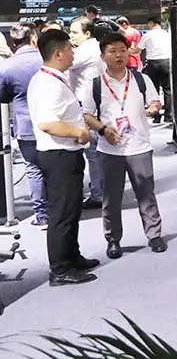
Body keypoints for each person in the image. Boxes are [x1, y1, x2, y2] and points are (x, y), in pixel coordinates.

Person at [26, 29, 101, 286]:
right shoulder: (48, 84)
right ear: (58, 54)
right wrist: (79, 133)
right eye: (70, 48)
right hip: (58, 155)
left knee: (72, 209)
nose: (73, 53)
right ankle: (60, 269)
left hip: (66, 154)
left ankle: (72, 256)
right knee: (61, 213)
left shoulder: (53, 79)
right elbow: (49, 124)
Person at [82, 33, 166, 259]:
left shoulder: (141, 79)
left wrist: (153, 109)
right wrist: (103, 130)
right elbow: (87, 115)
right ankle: (113, 239)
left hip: (140, 147)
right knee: (111, 198)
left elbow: (155, 102)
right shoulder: (95, 84)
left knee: (146, 194)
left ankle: (154, 235)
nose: (119, 55)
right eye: (112, 51)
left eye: (122, 50)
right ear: (103, 56)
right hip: (110, 150)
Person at [0, 24, 45, 225]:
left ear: (13, 42)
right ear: (32, 38)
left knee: (33, 169)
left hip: (25, 124)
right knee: (53, 168)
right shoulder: (45, 59)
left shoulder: (7, 66)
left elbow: (3, 96)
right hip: (50, 121)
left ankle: (42, 214)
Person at [68, 17, 104, 208]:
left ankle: (98, 194)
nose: (71, 35)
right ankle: (99, 191)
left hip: (85, 105)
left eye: (75, 32)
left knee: (92, 152)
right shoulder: (96, 47)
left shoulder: (84, 51)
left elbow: (62, 63)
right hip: (93, 103)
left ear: (87, 33)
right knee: (95, 152)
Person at [137, 15, 171, 123]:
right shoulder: (166, 34)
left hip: (153, 64)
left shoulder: (148, 35)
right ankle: (168, 115)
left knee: (154, 90)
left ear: (151, 23)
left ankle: (156, 116)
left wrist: (128, 51)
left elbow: (138, 49)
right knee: (167, 89)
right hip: (166, 62)